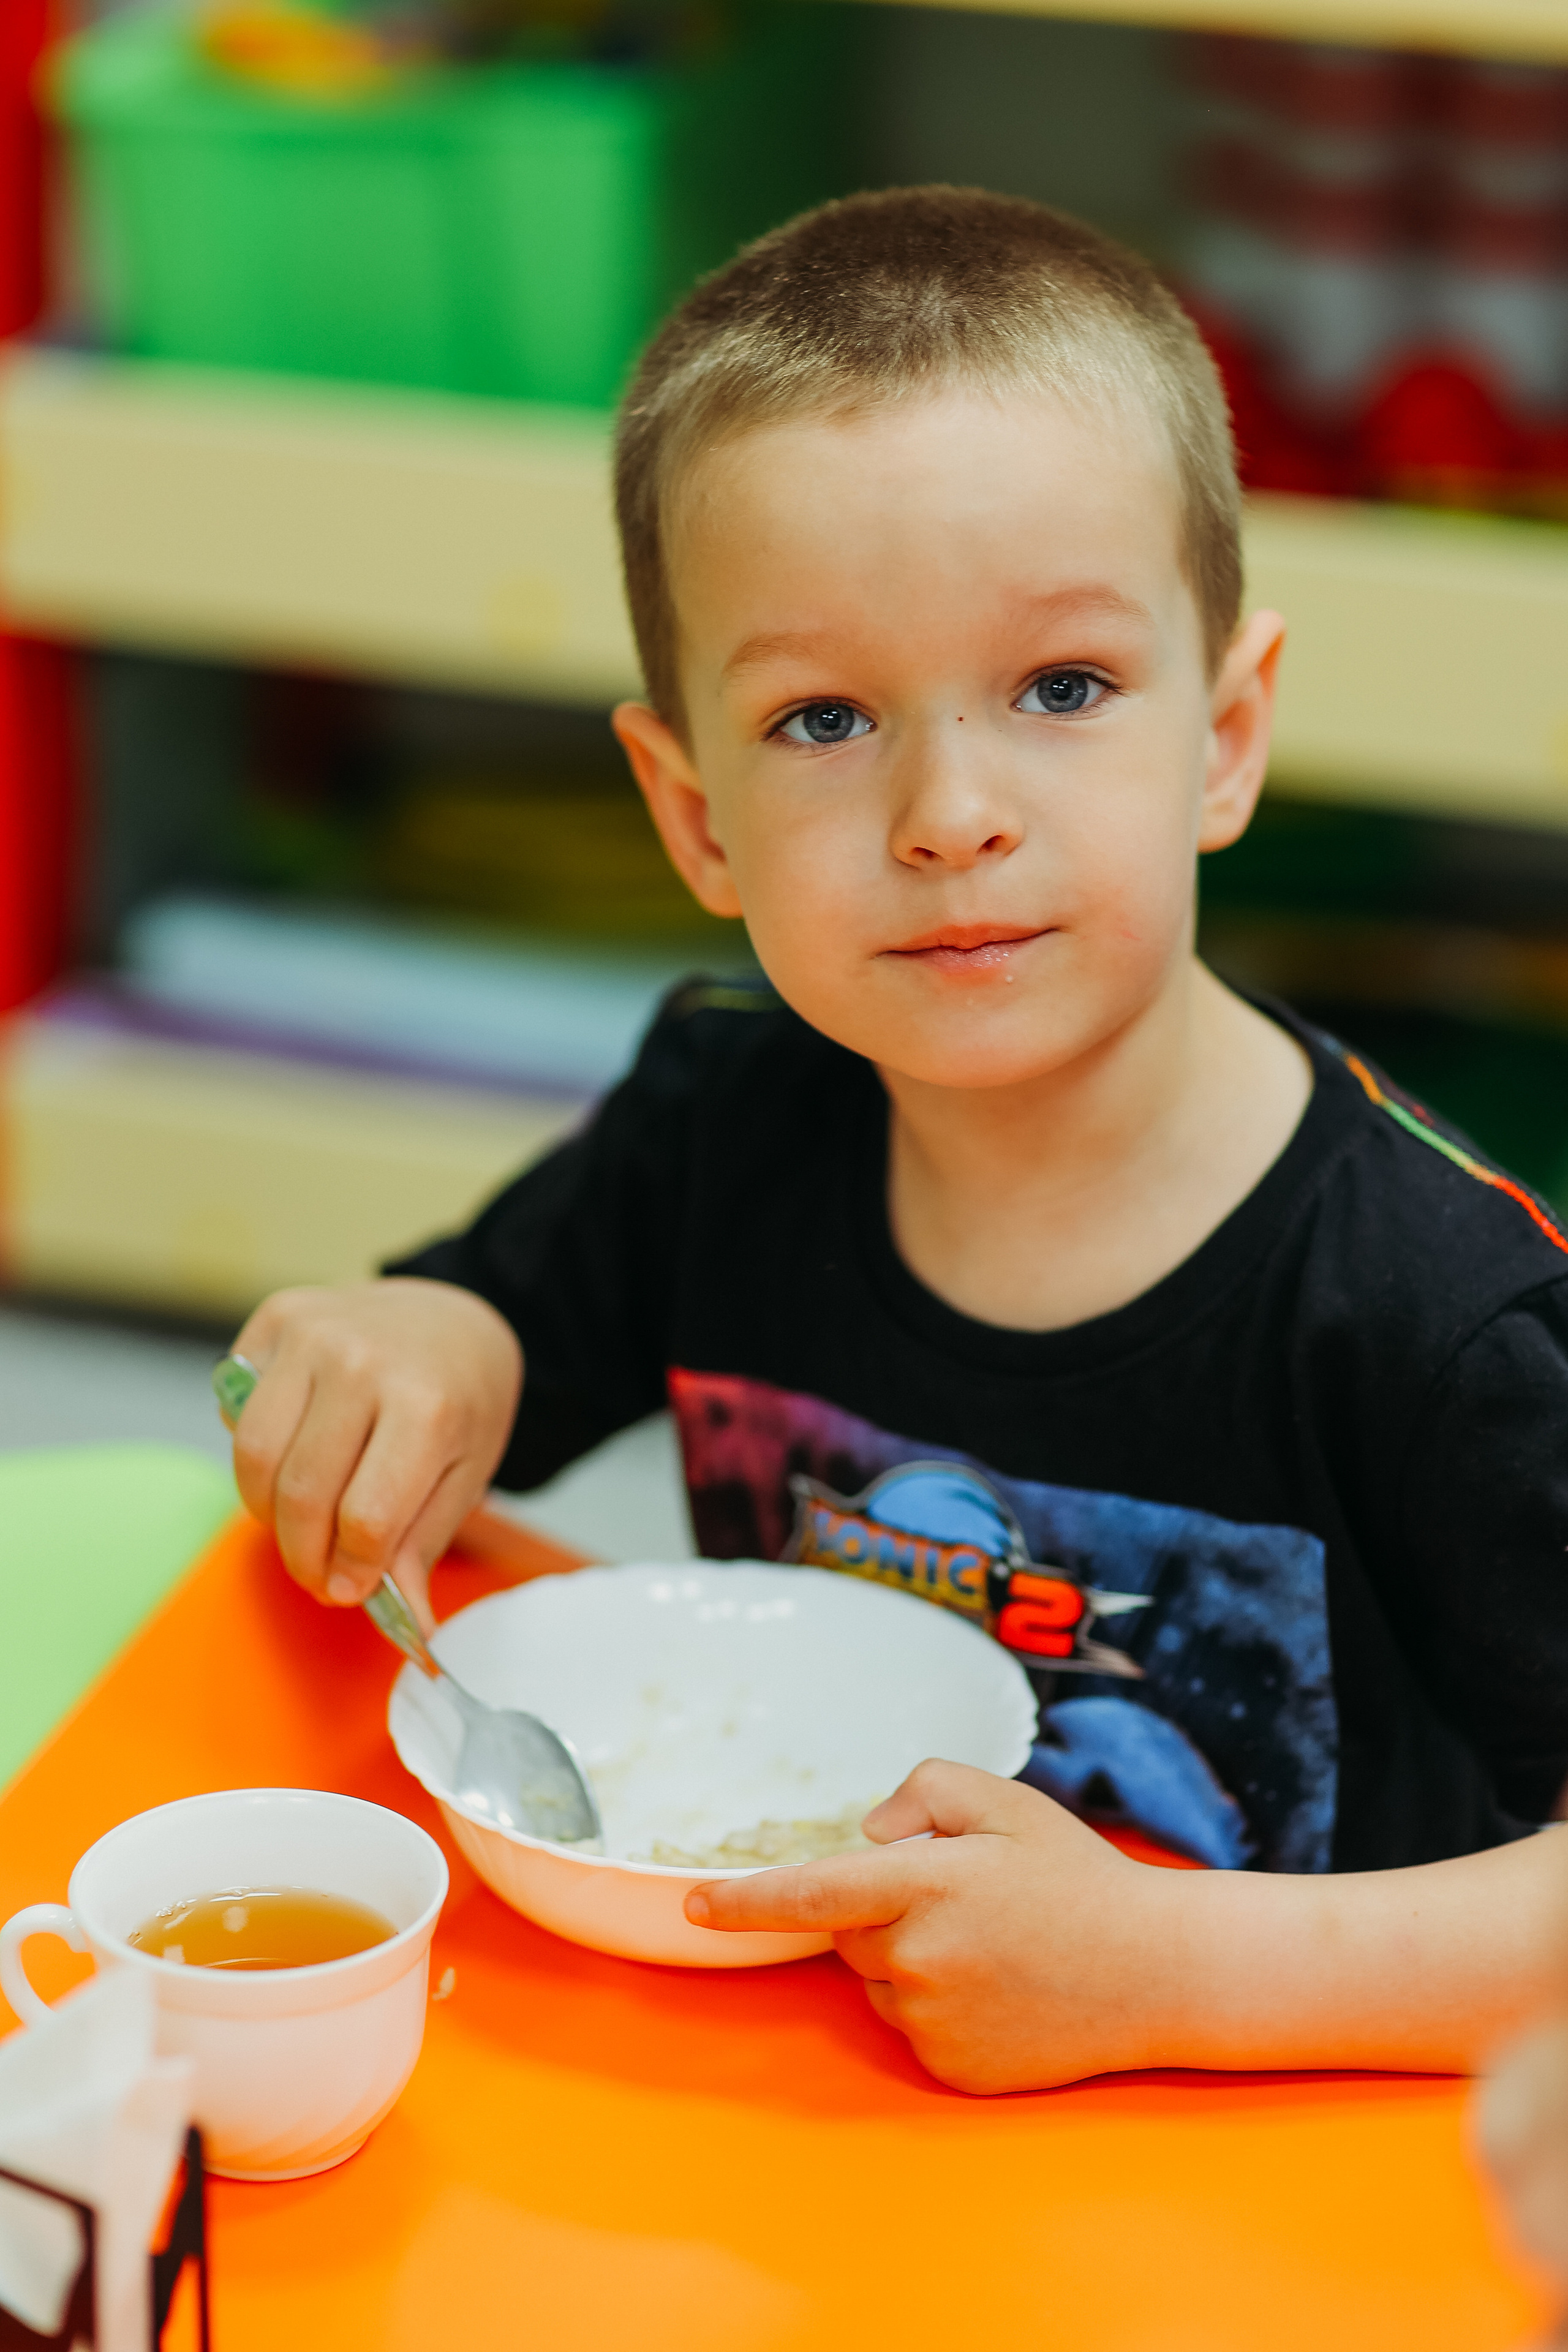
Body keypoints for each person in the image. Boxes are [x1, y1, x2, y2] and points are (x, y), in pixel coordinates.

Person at [224, 187, 1568, 2094]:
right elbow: (470, 1353)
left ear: (1228, 733)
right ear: (692, 816)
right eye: (827, 716)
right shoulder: (723, 1121)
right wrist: (404, 1348)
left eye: (1064, 688)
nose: (949, 811)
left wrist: (1168, 1972)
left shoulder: (1444, 1318)